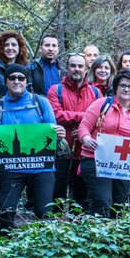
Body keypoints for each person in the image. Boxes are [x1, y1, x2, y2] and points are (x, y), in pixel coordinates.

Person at [0, 64, 65, 233]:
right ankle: (3, 250)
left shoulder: (41, 103)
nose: (17, 81)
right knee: (4, 211)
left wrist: (59, 134)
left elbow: (53, 132)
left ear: (26, 80)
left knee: (44, 212)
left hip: (41, 168)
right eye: (12, 78)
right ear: (6, 81)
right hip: (11, 168)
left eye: (21, 78)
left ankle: (46, 251)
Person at [78, 71, 130, 217]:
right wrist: (85, 138)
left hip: (121, 166)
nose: (126, 89)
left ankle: (116, 238)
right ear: (116, 87)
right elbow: (84, 126)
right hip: (95, 161)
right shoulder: (102, 104)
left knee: (120, 206)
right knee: (103, 202)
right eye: (122, 85)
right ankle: (95, 236)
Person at [48, 53, 102, 207]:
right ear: (67, 68)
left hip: (84, 150)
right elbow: (56, 114)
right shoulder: (56, 90)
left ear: (86, 69)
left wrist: (83, 130)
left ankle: (76, 224)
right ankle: (54, 224)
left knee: (80, 194)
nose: (76, 69)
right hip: (60, 149)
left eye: (80, 66)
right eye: (73, 65)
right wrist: (86, 118)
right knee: (57, 190)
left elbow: (101, 119)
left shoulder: (96, 93)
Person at [0, 31, 30, 98]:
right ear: (0, 47)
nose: (10, 48)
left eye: (14, 45)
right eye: (6, 45)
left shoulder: (26, 67)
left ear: (19, 48)